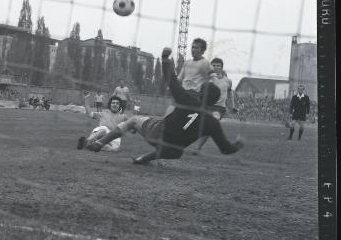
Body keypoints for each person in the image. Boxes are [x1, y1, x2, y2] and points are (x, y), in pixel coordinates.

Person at [87, 48, 245, 164]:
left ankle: (100, 143)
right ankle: (145, 158)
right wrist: (237, 144)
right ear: (214, 101)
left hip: (157, 135)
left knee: (133, 120)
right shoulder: (212, 122)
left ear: (202, 93)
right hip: (173, 150)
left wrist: (165, 59)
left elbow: (171, 80)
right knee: (176, 150)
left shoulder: (187, 98)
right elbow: (226, 149)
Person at [193, 57, 238, 154]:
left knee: (210, 126)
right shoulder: (207, 80)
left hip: (219, 108)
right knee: (198, 126)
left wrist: (233, 106)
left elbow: (230, 94)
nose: (216, 67)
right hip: (207, 106)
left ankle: (197, 148)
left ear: (222, 68)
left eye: (218, 66)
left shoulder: (228, 81)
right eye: (214, 65)